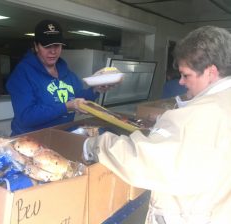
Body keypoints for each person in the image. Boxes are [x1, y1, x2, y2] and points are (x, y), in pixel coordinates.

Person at [83, 26, 231, 223]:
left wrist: (93, 145)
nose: (180, 82)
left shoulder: (200, 114)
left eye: (186, 75)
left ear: (211, 72)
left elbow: (140, 161)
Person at [6, 20, 109, 136]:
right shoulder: (23, 73)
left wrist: (96, 90)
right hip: (30, 140)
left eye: (57, 45)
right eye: (47, 46)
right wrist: (66, 106)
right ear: (36, 46)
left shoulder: (66, 73)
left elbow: (77, 97)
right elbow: (26, 117)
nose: (53, 51)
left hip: (61, 136)